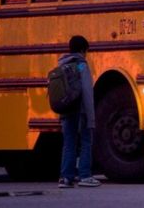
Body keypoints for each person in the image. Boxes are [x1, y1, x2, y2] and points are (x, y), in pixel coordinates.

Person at [58, 35, 101, 188]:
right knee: (86, 142)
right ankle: (85, 176)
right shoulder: (82, 65)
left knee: (68, 144)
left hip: (66, 110)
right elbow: (87, 90)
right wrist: (91, 115)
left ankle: (66, 178)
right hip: (81, 110)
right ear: (83, 50)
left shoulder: (62, 65)